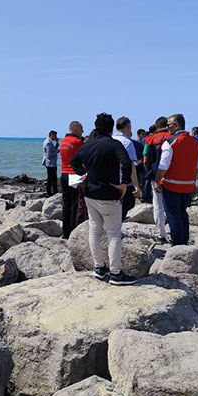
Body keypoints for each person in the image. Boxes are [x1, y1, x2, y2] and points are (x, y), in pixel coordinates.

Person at [70, 113, 135, 285]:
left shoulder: (88, 144)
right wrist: (124, 184)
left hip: (90, 194)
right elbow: (127, 163)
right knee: (113, 234)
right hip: (109, 195)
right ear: (111, 127)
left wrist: (83, 173)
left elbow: (74, 161)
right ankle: (116, 273)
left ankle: (99, 268)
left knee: (95, 230)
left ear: (96, 126)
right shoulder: (114, 144)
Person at [153, 114, 198, 245]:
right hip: (187, 185)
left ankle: (177, 244)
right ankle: (184, 241)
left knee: (173, 215)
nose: (167, 127)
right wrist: (193, 181)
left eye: (168, 125)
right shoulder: (196, 143)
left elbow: (163, 165)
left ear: (176, 125)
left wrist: (157, 181)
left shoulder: (170, 142)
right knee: (182, 213)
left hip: (171, 185)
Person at [142, 118, 172, 240]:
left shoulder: (149, 140)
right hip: (172, 175)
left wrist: (148, 170)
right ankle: (174, 231)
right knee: (172, 204)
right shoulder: (172, 137)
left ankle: (161, 233)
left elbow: (145, 159)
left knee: (158, 205)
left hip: (156, 175)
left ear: (157, 126)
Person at [112, 117, 141, 218]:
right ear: (129, 127)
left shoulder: (111, 139)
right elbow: (131, 165)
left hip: (111, 180)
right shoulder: (128, 143)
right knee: (124, 212)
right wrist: (137, 185)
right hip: (125, 182)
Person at [58, 122, 84, 239]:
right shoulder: (78, 142)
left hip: (63, 173)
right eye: (81, 129)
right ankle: (72, 230)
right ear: (75, 129)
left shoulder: (63, 141)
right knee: (75, 204)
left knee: (66, 203)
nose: (82, 131)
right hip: (74, 175)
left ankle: (65, 231)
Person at [42, 131, 59, 197]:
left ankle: (52, 191)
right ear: (51, 135)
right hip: (50, 163)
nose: (56, 137)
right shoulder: (48, 143)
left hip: (50, 163)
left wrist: (57, 143)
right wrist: (56, 152)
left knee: (52, 178)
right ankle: (52, 192)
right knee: (52, 178)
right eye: (55, 136)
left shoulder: (48, 141)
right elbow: (49, 155)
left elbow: (53, 150)